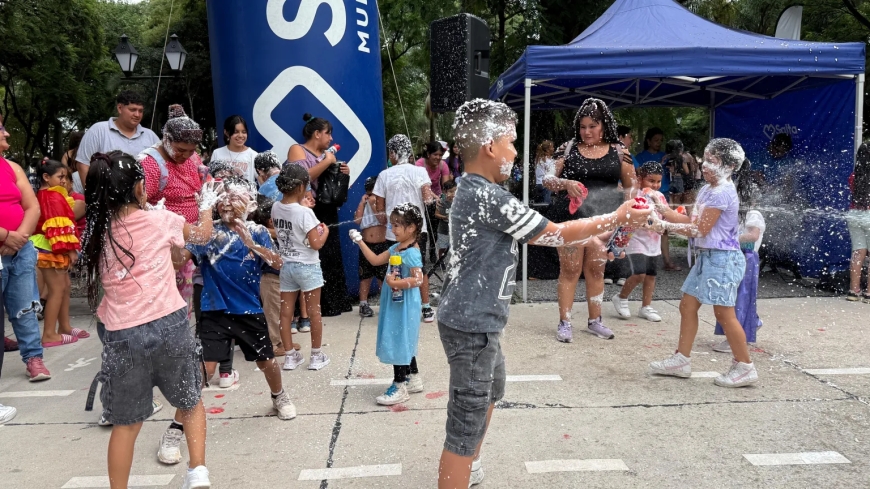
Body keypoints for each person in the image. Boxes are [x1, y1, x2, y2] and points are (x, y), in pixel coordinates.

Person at [436, 99, 651, 488]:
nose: (516, 151)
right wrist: (617, 217)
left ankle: (471, 463)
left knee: (490, 390)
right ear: (489, 147)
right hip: (472, 324)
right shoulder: (489, 197)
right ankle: (462, 464)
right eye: (511, 143)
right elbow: (555, 233)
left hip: (477, 321)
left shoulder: (474, 190)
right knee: (465, 421)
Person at [81, 151, 214, 489]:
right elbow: (201, 236)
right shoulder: (162, 220)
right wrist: (207, 205)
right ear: (141, 188)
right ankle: (197, 471)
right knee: (190, 399)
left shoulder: (97, 233)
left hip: (121, 334)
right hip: (170, 325)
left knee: (126, 424)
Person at [179, 177, 297, 419]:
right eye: (222, 199)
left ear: (249, 203)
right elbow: (179, 259)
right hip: (215, 310)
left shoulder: (259, 231)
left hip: (248, 309)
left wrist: (252, 244)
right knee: (207, 367)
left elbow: (278, 263)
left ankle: (279, 395)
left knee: (266, 361)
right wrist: (169, 237)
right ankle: (178, 425)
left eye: (234, 198)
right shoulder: (208, 233)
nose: (227, 204)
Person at [648, 138, 758, 387]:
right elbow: (689, 220)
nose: (705, 165)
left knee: (724, 313)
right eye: (705, 159)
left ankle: (745, 366)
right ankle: (681, 360)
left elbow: (699, 230)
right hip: (708, 258)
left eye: (713, 161)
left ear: (730, 166)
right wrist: (661, 208)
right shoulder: (708, 190)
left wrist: (663, 226)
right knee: (687, 306)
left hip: (723, 260)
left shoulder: (722, 192)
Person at [542, 98, 635, 343]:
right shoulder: (568, 148)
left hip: (604, 222)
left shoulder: (620, 152)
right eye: (583, 127)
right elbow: (547, 179)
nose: (587, 132)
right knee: (570, 270)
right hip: (570, 219)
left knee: (596, 270)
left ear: (604, 125)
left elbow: (631, 188)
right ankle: (565, 322)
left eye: (592, 126)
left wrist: (627, 222)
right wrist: (564, 183)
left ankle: (595, 321)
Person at [351, 203, 425, 405]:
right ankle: (413, 377)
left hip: (404, 305)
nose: (392, 229)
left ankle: (400, 384)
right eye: (392, 225)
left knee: (398, 339)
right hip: (395, 302)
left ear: (411, 228)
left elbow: (418, 280)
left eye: (397, 225)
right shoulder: (395, 248)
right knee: (403, 337)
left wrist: (396, 283)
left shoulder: (411, 252)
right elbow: (375, 260)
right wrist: (360, 242)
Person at [286, 113, 352, 317]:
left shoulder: (327, 156)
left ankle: (333, 302)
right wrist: (327, 161)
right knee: (308, 255)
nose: (331, 138)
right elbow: (300, 178)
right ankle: (305, 310)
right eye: (327, 134)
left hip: (326, 208)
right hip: (305, 207)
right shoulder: (297, 149)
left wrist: (342, 172)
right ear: (316, 134)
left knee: (330, 254)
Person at [0, 115, 50, 382]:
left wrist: (18, 237)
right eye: (1, 129)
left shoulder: (12, 167)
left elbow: (33, 207)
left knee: (24, 307)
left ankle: (34, 359)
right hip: (8, 244)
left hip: (20, 250)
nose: (6, 134)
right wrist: (6, 235)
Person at [271, 164, 331, 371]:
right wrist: (325, 232)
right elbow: (316, 244)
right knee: (314, 312)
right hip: (308, 266)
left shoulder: (276, 207)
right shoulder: (305, 213)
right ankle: (316, 356)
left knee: (286, 313)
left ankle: (289, 356)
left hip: (287, 267)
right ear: (299, 188)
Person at [373, 134, 437, 322]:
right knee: (419, 266)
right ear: (408, 152)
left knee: (394, 267)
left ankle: (396, 305)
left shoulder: (384, 174)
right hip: (417, 230)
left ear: (393, 153)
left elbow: (379, 211)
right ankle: (425, 307)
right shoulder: (420, 171)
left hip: (394, 231)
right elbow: (427, 199)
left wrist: (390, 220)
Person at [31, 160, 83, 346]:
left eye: (65, 177)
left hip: (49, 245)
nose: (64, 181)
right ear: (46, 177)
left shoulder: (48, 194)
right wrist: (70, 250)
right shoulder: (52, 197)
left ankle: (64, 327)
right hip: (50, 247)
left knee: (64, 286)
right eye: (60, 177)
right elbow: (59, 226)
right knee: (56, 289)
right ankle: (49, 334)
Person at [611, 161, 668, 323]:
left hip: (653, 242)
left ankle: (646, 306)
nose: (655, 185)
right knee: (639, 273)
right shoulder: (634, 195)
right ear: (641, 179)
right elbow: (629, 216)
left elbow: (665, 216)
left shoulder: (661, 197)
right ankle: (621, 297)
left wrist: (664, 223)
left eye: (658, 181)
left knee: (651, 275)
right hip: (635, 240)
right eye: (651, 181)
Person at [713, 172, 765, 351]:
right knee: (731, 295)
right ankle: (752, 322)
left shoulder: (754, 214)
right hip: (735, 256)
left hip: (747, 258)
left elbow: (753, 235)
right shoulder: (737, 214)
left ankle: (737, 336)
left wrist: (731, 238)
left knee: (741, 296)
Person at [76, 90, 160, 189]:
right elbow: (83, 164)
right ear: (120, 108)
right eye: (132, 110)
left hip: (142, 199)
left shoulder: (150, 136)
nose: (137, 115)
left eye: (140, 111)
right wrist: (93, 195)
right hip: (106, 198)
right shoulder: (98, 130)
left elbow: (163, 167)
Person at [354, 176, 387, 317]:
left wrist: (374, 205)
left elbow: (383, 219)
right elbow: (357, 220)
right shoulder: (364, 203)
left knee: (383, 276)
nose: (370, 196)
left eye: (373, 193)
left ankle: (385, 303)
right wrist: (362, 204)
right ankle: (363, 304)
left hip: (382, 245)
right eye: (368, 193)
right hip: (367, 244)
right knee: (365, 276)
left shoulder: (382, 204)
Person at [416, 141, 450, 263]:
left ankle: (432, 252)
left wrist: (446, 197)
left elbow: (445, 186)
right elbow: (421, 186)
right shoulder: (420, 164)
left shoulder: (443, 165)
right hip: (422, 198)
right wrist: (435, 197)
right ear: (428, 154)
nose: (438, 157)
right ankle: (422, 253)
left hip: (436, 198)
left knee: (434, 229)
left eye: (440, 155)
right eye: (435, 154)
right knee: (423, 228)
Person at [846, 144, 870, 302]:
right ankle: (869, 293)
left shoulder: (853, 176)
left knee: (857, 252)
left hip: (854, 215)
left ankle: (853, 291)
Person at [211, 115, 258, 184]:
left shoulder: (253, 155)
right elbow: (211, 180)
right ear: (226, 132)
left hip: (246, 194)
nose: (240, 135)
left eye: (244, 132)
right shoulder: (217, 153)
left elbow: (262, 180)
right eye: (236, 132)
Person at [434, 180, 456, 258]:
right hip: (443, 230)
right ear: (445, 192)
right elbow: (436, 214)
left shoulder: (458, 202)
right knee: (443, 247)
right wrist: (445, 217)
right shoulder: (442, 202)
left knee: (454, 248)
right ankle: (441, 261)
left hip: (454, 230)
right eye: (450, 191)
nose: (453, 194)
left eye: (455, 191)